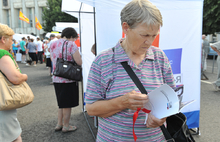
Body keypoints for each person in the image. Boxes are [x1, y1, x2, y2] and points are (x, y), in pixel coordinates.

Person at [85, 0, 175, 141]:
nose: (149, 42)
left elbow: (172, 98)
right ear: (125, 27)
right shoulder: (103, 60)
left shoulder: (160, 57)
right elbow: (91, 108)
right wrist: (123, 102)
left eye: (154, 36)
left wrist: (162, 115)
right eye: (144, 35)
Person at [50, 27, 82, 133]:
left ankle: (59, 124)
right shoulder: (71, 45)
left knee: (61, 103)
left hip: (56, 77)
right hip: (68, 78)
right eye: (74, 39)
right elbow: (79, 62)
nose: (74, 41)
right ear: (71, 36)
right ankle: (66, 126)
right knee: (67, 104)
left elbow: (52, 59)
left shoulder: (53, 44)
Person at [0, 23, 28, 142]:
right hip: (2, 101)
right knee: (13, 136)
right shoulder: (3, 54)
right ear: (3, 39)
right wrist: (25, 76)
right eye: (11, 39)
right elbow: (15, 78)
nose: (12, 42)